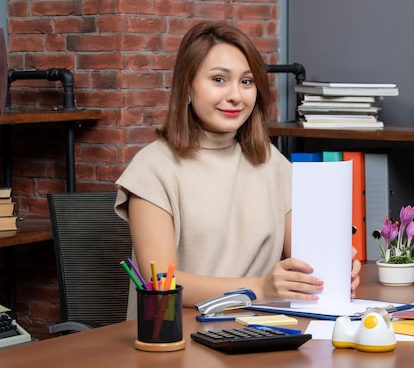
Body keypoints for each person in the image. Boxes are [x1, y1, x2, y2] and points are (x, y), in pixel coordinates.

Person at [115, 21, 361, 311]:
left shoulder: (271, 162)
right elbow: (161, 282)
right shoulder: (153, 168)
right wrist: (258, 289)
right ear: (188, 88)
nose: (235, 95)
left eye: (246, 82)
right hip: (176, 339)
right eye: (219, 79)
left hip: (260, 332)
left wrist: (332, 268)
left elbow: (307, 262)